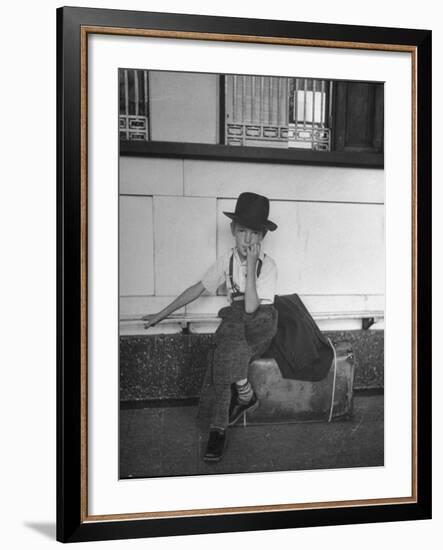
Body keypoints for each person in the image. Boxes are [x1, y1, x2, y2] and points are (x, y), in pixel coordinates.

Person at [143, 192, 278, 462]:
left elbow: (252, 308)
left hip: (261, 323)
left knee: (231, 337)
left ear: (262, 236)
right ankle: (225, 419)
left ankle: (240, 401)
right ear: (232, 231)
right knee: (226, 347)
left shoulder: (268, 265)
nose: (247, 240)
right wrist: (162, 313)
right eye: (242, 232)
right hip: (236, 327)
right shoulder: (225, 261)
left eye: (254, 233)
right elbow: (197, 289)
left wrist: (251, 268)